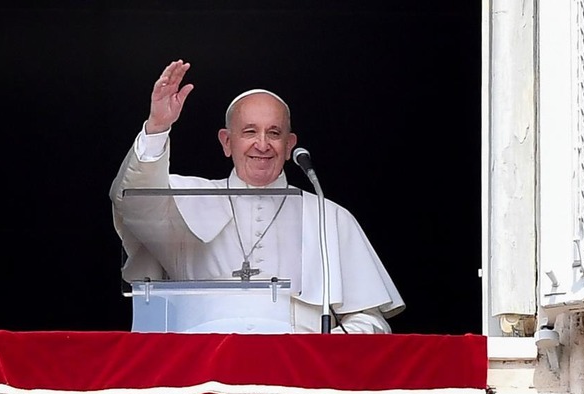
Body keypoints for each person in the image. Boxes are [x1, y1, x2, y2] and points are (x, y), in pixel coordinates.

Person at [110, 59, 405, 334]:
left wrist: (321, 351)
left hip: (296, 373)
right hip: (202, 368)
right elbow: (132, 203)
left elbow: (370, 320)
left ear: (289, 145)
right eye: (249, 131)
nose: (262, 144)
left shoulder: (329, 217)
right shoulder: (185, 199)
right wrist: (157, 128)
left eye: (274, 133)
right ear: (227, 142)